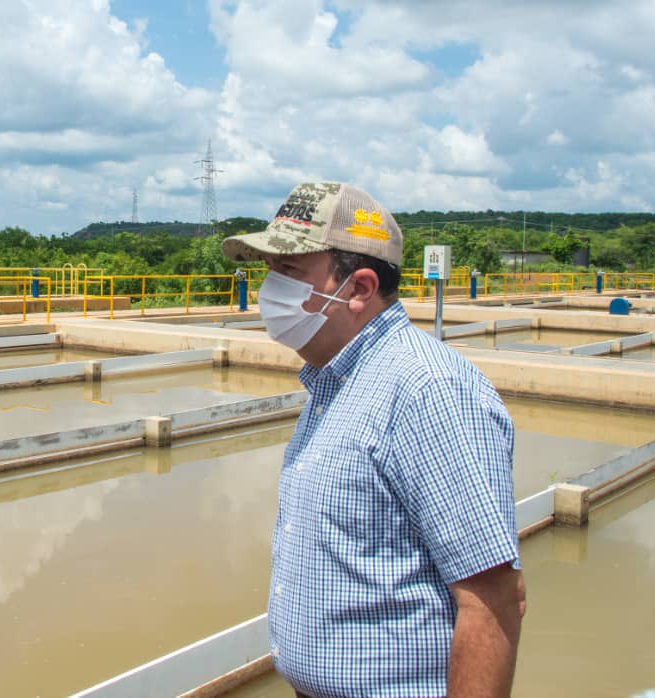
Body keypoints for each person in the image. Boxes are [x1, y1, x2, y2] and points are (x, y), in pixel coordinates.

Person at [222, 182, 525, 697]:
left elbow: (493, 599)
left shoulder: (429, 391)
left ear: (359, 288)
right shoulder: (337, 380)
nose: (270, 288)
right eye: (269, 270)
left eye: (288, 271)